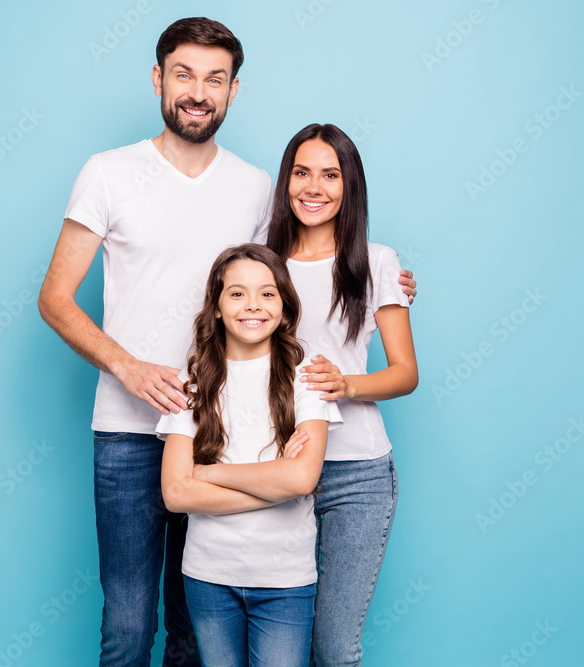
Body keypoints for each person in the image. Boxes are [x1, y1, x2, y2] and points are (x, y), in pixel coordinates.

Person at [37, 16, 416, 665]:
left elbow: (290, 277)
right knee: (129, 620)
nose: (197, 90)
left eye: (214, 78)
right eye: (183, 74)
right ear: (158, 79)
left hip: (222, 427)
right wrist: (131, 370)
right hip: (132, 428)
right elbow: (54, 297)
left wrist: (386, 280)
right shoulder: (108, 172)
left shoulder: (253, 189)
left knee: (195, 621)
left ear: (234, 90)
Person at [202, 123, 419, 665]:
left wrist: (346, 385)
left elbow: (405, 372)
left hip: (354, 474)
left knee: (333, 645)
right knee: (275, 641)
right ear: (286, 182)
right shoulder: (263, 262)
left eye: (330, 174)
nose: (314, 187)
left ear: (351, 187)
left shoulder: (377, 261)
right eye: (301, 173)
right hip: (274, 468)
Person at [157, 243, 341, 667]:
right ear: (217, 307)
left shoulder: (306, 375)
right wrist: (275, 479)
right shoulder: (191, 382)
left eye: (268, 293)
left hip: (285, 580)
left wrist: (205, 475)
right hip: (208, 576)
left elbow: (301, 480)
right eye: (237, 293)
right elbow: (175, 495)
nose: (253, 305)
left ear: (284, 305)